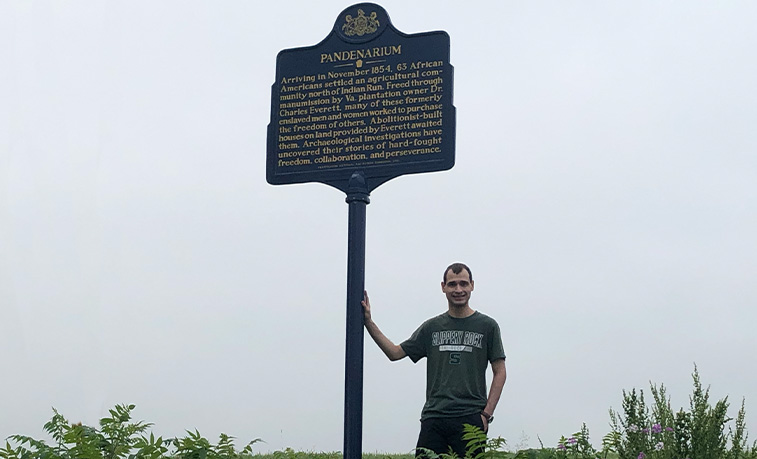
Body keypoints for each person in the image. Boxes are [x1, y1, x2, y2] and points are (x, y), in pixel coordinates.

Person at [362, 262, 507, 457]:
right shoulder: (432, 327)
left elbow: (500, 371)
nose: (458, 289)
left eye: (463, 284)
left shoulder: (487, 326)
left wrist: (486, 415)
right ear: (443, 287)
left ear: (472, 285)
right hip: (434, 417)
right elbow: (395, 353)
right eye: (452, 284)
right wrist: (369, 322)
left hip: (471, 418)